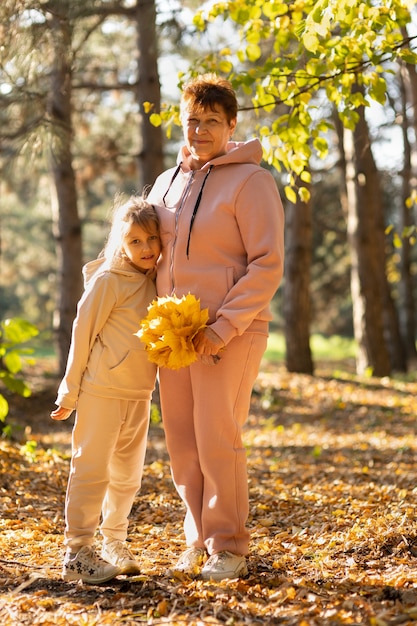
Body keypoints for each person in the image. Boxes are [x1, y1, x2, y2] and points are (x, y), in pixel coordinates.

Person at [146, 73, 285, 582]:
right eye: (192, 121)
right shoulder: (167, 182)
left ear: (231, 125)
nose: (199, 130)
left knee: (215, 437)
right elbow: (149, 253)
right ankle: (198, 539)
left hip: (231, 331)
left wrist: (222, 328)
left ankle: (228, 546)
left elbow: (267, 264)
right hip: (173, 335)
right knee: (182, 441)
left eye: (210, 121)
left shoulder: (252, 182)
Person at [50, 196, 161, 584]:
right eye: (134, 241)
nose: (145, 248)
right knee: (91, 469)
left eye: (151, 239)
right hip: (101, 390)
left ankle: (115, 541)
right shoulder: (109, 280)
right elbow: (82, 333)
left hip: (138, 394)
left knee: (127, 476)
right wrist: (69, 390)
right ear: (120, 243)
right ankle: (77, 550)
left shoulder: (157, 281)